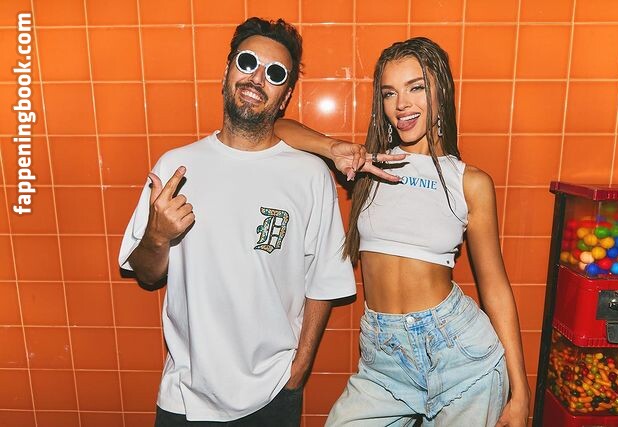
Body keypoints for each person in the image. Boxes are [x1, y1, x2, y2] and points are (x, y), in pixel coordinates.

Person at [274, 37, 530, 426]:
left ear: (441, 91)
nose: (401, 104)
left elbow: (494, 287)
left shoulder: (470, 182)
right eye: (390, 93)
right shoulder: (371, 164)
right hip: (383, 358)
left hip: (460, 356)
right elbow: (278, 128)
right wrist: (334, 147)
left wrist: (521, 392)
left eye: (416, 88)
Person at [118, 17, 360, 427]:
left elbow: (323, 280)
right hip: (185, 395)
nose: (257, 78)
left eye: (275, 73)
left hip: (273, 392)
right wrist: (157, 237)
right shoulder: (176, 166)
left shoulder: (309, 175)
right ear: (226, 73)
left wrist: (298, 371)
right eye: (247, 62)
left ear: (284, 97)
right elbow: (146, 274)